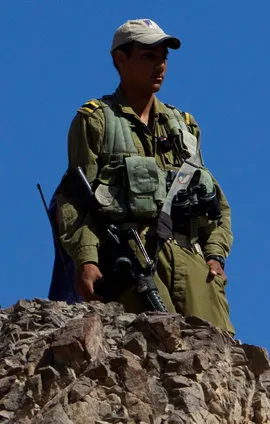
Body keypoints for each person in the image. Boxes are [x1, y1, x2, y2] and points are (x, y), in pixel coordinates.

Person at [55, 18, 235, 335]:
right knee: (146, 355)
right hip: (132, 262)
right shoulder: (96, 121)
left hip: (193, 266)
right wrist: (87, 260)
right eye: (148, 57)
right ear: (120, 60)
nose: (160, 66)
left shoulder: (184, 126)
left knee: (214, 360)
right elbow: (75, 199)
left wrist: (215, 258)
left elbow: (216, 203)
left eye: (163, 57)